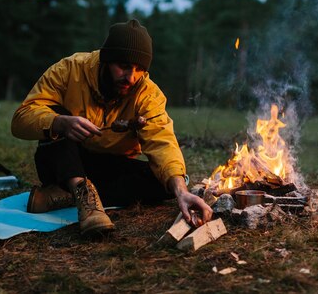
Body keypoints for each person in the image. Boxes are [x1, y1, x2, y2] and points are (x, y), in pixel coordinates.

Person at [11, 19, 213, 236]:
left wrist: (181, 191)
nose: (131, 77)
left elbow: (162, 141)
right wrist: (58, 122)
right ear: (107, 60)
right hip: (63, 160)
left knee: (166, 181)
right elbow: (21, 119)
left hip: (107, 167)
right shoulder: (69, 70)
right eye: (124, 67)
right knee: (57, 120)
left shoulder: (147, 94)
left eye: (139, 69)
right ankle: (84, 197)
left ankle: (65, 196)